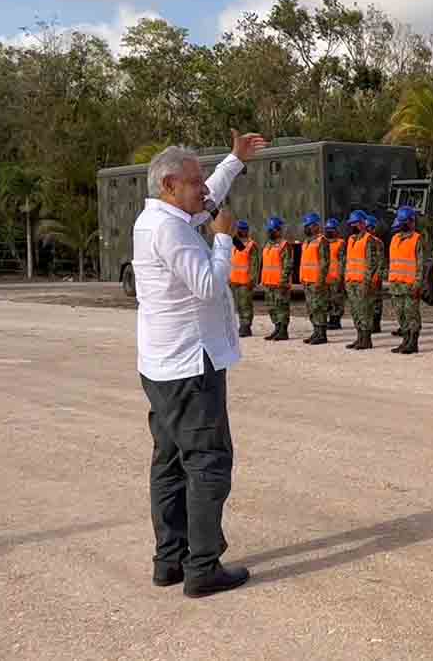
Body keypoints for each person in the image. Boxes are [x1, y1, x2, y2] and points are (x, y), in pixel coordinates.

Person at [133, 130, 268, 598]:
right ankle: (202, 566)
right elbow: (209, 285)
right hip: (191, 367)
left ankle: (169, 560)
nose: (204, 189)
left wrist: (234, 160)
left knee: (169, 464)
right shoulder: (172, 231)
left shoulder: (159, 218)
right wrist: (224, 240)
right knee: (208, 462)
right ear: (169, 185)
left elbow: (211, 192)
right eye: (194, 182)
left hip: (163, 365)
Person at [388, 207, 424, 354]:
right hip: (396, 284)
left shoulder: (417, 238)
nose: (403, 224)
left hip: (410, 285)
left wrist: (418, 283)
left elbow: (420, 264)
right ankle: (405, 340)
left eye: (406, 222)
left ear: (411, 222)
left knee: (412, 315)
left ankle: (413, 343)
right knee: (400, 314)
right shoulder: (395, 239)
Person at [343, 211, 381, 350]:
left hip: (362, 282)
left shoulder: (369, 240)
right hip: (351, 281)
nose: (353, 226)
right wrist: (346, 279)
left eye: (356, 223)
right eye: (351, 223)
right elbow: (348, 261)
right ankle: (359, 337)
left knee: (365, 310)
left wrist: (367, 282)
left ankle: (366, 340)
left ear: (363, 224)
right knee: (355, 311)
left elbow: (371, 264)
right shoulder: (351, 239)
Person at [299, 213, 330, 345]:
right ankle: (316, 332)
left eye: (309, 226)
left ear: (316, 226)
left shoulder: (321, 240)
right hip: (307, 281)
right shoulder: (306, 241)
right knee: (311, 307)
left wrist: (320, 280)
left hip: (317, 281)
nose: (306, 228)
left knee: (319, 307)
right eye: (305, 226)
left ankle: (322, 334)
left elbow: (324, 263)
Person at [260, 216, 293, 341]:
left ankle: (283, 331)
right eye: (269, 230)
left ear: (279, 230)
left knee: (281, 307)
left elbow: (288, 265)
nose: (270, 232)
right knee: (272, 307)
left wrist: (283, 281)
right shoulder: (268, 245)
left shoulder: (284, 245)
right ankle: (276, 328)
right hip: (268, 282)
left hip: (280, 283)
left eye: (272, 230)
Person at [228, 219, 260, 338]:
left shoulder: (251, 245)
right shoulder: (234, 244)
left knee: (245, 304)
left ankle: (245, 326)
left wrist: (252, 280)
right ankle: (240, 325)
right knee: (237, 305)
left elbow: (255, 264)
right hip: (234, 280)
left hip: (245, 281)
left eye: (239, 229)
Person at [323, 218, 346, 331]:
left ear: (337, 230)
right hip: (326, 277)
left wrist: (342, 276)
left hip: (336, 276)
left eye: (331, 229)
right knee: (327, 300)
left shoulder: (340, 243)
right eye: (327, 229)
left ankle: (335, 321)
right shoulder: (323, 243)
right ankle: (330, 319)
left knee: (337, 300)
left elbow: (343, 261)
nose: (329, 231)